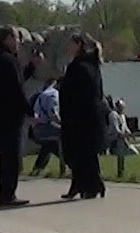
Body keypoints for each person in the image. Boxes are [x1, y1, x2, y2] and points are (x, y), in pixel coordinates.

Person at [0, 27, 34, 208]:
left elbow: (12, 83)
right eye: (16, 38)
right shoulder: (9, 60)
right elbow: (16, 89)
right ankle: (8, 194)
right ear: (7, 39)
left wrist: (30, 68)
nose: (18, 41)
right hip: (10, 115)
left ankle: (5, 193)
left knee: (5, 155)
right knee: (12, 156)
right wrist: (30, 112)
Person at [57, 33, 107, 200]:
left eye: (72, 44)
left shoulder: (80, 66)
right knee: (82, 153)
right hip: (87, 116)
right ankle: (80, 184)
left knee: (81, 153)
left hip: (81, 117)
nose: (68, 47)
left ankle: (93, 185)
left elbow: (76, 92)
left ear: (79, 44)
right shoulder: (89, 64)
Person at [29, 78, 62, 176]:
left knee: (49, 145)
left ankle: (38, 168)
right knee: (68, 135)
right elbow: (53, 115)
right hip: (45, 127)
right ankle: (72, 163)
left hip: (36, 128)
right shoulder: (53, 94)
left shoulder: (40, 94)